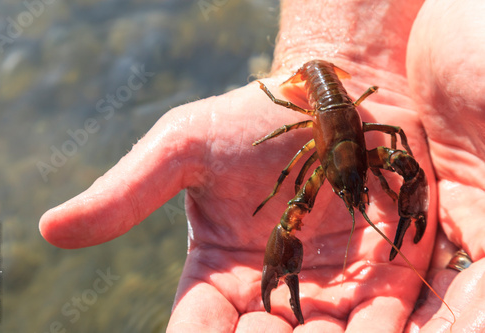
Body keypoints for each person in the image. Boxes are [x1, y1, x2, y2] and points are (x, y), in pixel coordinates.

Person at [40, 0, 485, 331]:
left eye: (361, 189)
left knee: (391, 169)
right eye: (359, 188)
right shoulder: (321, 153)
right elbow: (383, 147)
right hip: (321, 88)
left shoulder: (336, 158)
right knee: (296, 208)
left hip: (340, 106)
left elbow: (399, 152)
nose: (359, 192)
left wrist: (399, 191)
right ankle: (283, 275)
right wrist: (348, 49)